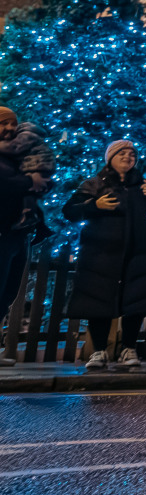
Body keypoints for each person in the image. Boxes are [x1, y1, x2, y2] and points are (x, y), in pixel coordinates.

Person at [63, 140, 146, 369]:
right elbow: (70, 211)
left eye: (131, 154)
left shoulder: (144, 185)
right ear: (110, 158)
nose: (127, 157)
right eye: (121, 153)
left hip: (138, 254)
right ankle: (99, 351)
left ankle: (128, 349)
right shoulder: (94, 184)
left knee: (135, 302)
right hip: (100, 255)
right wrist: (94, 206)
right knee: (98, 303)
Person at [0, 105, 56, 368]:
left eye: (13, 123)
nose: (10, 128)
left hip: (17, 234)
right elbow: (6, 183)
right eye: (3, 123)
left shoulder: (18, 153)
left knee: (7, 293)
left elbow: (43, 181)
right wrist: (29, 182)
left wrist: (39, 181)